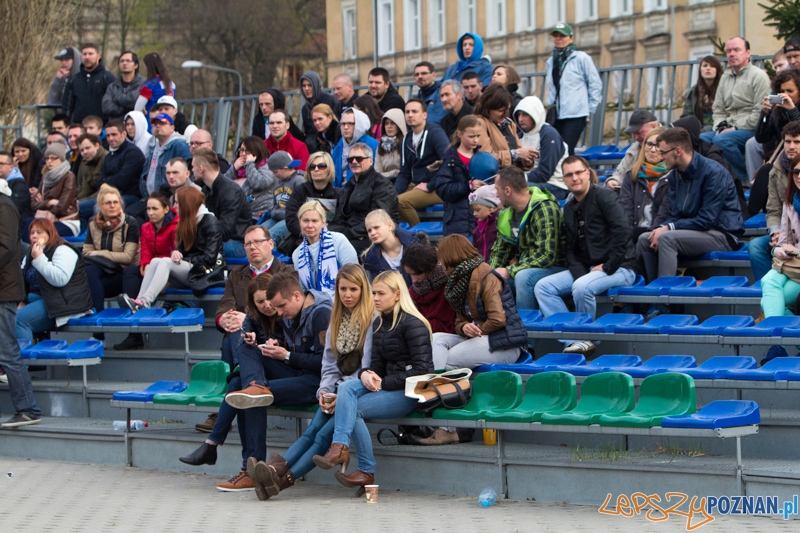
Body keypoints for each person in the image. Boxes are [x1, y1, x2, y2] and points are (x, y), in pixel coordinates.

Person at [246, 264, 374, 500]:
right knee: (311, 431)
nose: (347, 295)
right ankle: (274, 471)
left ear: (363, 290)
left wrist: (340, 393)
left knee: (321, 437)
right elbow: (328, 363)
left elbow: (368, 366)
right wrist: (325, 391)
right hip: (336, 390)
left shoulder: (371, 320)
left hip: (358, 391)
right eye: (342, 289)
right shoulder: (337, 318)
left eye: (353, 289)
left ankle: (279, 480)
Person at [196, 271, 333, 491]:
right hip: (295, 372)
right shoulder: (290, 312)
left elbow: (326, 365)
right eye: (272, 306)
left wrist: (285, 355)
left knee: (244, 391)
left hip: (314, 384)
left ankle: (245, 466)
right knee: (247, 356)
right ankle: (255, 387)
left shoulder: (320, 314)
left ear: (297, 296)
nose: (278, 313)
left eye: (281, 307)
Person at [312, 271, 433, 488]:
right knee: (347, 389)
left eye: (380, 293)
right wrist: (365, 373)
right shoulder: (380, 323)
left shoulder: (413, 324)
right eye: (374, 293)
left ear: (397, 295)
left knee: (352, 409)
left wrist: (383, 382)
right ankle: (341, 448)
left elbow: (423, 370)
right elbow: (374, 366)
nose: (375, 298)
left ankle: (363, 467)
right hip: (386, 387)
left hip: (410, 392)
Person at [178, 272, 287, 491]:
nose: (266, 305)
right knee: (244, 386)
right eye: (259, 302)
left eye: (268, 299)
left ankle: (217, 446)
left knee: (246, 388)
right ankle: (247, 468)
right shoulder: (256, 319)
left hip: (290, 373)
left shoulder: (287, 315)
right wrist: (254, 339)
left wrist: (278, 348)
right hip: (263, 376)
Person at [535, 156, 637, 356]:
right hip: (590, 269)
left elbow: (623, 231)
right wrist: (582, 273)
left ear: (588, 173)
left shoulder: (604, 196)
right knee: (544, 287)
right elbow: (570, 249)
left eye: (579, 172)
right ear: (563, 180)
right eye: (569, 175)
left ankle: (586, 336)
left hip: (621, 267)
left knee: (581, 287)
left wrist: (608, 266)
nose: (575, 178)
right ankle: (574, 339)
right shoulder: (570, 207)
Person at [636, 128, 743, 317]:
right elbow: (675, 213)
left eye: (663, 152)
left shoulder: (713, 172)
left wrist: (668, 228)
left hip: (722, 233)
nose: (660, 157)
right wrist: (662, 227)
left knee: (667, 238)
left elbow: (707, 219)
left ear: (678, 151)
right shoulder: (676, 174)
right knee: (646, 238)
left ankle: (667, 303)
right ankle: (652, 298)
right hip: (693, 232)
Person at [432, 233, 527, 371]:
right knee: (436, 339)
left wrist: (477, 330)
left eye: (441, 259)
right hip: (480, 337)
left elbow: (498, 320)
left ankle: (441, 388)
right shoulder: (459, 280)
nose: (440, 264)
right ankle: (436, 385)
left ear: (450, 257)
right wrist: (464, 327)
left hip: (504, 343)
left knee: (449, 360)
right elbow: (459, 321)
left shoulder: (487, 277)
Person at [121, 187, 223, 311]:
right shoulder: (187, 221)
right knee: (154, 261)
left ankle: (145, 302)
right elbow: (182, 247)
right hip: (192, 268)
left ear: (187, 203)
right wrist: (177, 252)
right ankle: (139, 300)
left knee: (165, 262)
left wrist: (184, 259)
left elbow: (209, 258)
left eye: (177, 202)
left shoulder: (210, 222)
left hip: (207, 271)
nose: (174, 206)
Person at [486, 166, 565, 311]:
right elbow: (500, 251)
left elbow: (546, 255)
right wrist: (490, 273)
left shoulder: (544, 208)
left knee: (523, 277)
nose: (496, 195)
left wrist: (510, 270)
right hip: (524, 266)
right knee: (489, 280)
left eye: (497, 189)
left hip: (555, 268)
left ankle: (526, 329)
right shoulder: (506, 213)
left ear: (508, 191)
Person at [699, 37, 771, 184]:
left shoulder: (759, 76)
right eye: (729, 51)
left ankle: (741, 179)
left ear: (748, 53)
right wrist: (720, 125)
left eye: (736, 50)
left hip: (750, 128)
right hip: (727, 127)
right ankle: (715, 180)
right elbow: (718, 108)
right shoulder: (725, 78)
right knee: (702, 139)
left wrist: (735, 127)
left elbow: (759, 112)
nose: (731, 54)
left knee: (721, 140)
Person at [0, 192, 43, 428]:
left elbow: (5, 248)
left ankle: (28, 409)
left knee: (7, 352)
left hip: (3, 291)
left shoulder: (4, 205)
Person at [115, 190, 178, 350]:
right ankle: (135, 324)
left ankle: (141, 308)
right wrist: (145, 264)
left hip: (170, 268)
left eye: (155, 209)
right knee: (130, 272)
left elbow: (175, 251)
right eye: (148, 209)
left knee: (159, 264)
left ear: (166, 209)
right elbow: (145, 250)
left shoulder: (175, 226)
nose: (150, 213)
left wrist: (153, 265)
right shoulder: (145, 227)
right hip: (152, 266)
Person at [749, 121, 800, 282]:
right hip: (786, 232)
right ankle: (767, 293)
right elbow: (773, 210)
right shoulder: (775, 170)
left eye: (797, 141)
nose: (791, 146)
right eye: (787, 141)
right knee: (756, 246)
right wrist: (776, 232)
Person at [329, 143, 400, 255]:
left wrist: (347, 234)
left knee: (336, 249)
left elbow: (379, 219)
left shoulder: (382, 184)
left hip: (373, 235)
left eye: (359, 158)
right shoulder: (349, 186)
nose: (354, 162)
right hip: (351, 234)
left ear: (370, 161)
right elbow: (339, 215)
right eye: (350, 159)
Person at [544, 23, 602, 155]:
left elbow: (595, 83)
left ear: (571, 38)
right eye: (556, 36)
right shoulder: (551, 61)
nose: (558, 38)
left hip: (576, 113)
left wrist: (590, 109)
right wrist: (550, 105)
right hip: (556, 113)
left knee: (566, 150)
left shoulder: (581, 58)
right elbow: (552, 87)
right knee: (554, 149)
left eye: (562, 36)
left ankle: (569, 174)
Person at [83, 184, 140, 317]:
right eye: (108, 203)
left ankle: (98, 320)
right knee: (89, 271)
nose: (112, 206)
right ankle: (97, 317)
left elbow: (128, 257)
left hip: (124, 274)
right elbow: (86, 253)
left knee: (92, 278)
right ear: (100, 205)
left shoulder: (130, 223)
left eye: (116, 202)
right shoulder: (93, 223)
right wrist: (114, 259)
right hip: (104, 273)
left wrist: (99, 253)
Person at [394, 99, 450, 227]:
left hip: (438, 187)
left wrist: (430, 185)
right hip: (417, 185)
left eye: (414, 111)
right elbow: (404, 173)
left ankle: (419, 240)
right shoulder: (406, 140)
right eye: (407, 112)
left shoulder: (435, 133)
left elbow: (449, 161)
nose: (410, 115)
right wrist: (393, 192)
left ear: (425, 114)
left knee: (401, 202)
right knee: (387, 201)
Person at [760, 153, 800, 319]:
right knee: (768, 282)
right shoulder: (789, 203)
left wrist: (797, 251)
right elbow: (782, 242)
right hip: (791, 265)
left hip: (796, 262)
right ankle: (781, 342)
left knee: (768, 301)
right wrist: (777, 251)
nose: (799, 176)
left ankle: (778, 343)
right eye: (796, 172)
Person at [131, 112, 191, 221]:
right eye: (155, 124)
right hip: (149, 198)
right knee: (129, 217)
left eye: (162, 123)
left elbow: (189, 169)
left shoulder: (178, 145)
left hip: (166, 200)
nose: (157, 126)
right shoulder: (154, 147)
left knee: (134, 218)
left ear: (172, 127)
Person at [192, 148, 251, 258]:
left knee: (196, 247)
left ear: (201, 168)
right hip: (219, 240)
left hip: (237, 243)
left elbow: (225, 231)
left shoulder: (231, 191)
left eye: (193, 166)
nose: (192, 170)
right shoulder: (206, 190)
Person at [432, 115, 483, 237]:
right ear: (460, 134)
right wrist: (468, 185)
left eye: (478, 136)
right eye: (471, 136)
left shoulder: (482, 158)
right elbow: (442, 189)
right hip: (456, 222)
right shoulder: (449, 160)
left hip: (479, 220)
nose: (475, 140)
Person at [292, 201, 359, 295]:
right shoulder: (296, 254)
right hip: (315, 304)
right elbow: (302, 290)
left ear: (323, 223)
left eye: (314, 221)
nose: (310, 225)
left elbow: (354, 277)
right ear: (300, 222)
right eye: (305, 220)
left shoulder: (339, 240)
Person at [618, 126, 670, 245]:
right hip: (635, 232)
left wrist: (653, 232)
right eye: (649, 144)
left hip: (659, 233)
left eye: (657, 146)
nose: (652, 150)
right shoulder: (631, 175)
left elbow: (665, 212)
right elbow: (626, 211)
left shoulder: (673, 177)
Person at [282, 152, 341, 254]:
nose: (316, 169)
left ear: (329, 169)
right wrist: (309, 234)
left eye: (321, 166)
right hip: (302, 238)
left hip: (330, 241)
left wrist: (320, 236)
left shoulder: (339, 194)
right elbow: (291, 219)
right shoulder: (300, 191)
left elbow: (340, 222)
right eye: (312, 167)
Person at [514, 96, 569, 200]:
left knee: (515, 190)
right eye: (518, 114)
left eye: (525, 114)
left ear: (536, 114)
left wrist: (518, 180)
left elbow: (545, 173)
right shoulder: (519, 136)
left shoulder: (549, 135)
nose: (520, 119)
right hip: (527, 183)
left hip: (555, 186)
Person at [474, 83, 536, 170]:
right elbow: (486, 159)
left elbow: (518, 151)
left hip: (514, 177)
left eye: (508, 109)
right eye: (501, 110)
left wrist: (526, 159)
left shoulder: (509, 123)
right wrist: (514, 154)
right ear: (488, 107)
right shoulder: (479, 124)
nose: (506, 114)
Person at [26, 143, 80, 239]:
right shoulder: (45, 176)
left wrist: (42, 203)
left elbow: (61, 208)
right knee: (26, 225)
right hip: (46, 219)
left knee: (41, 232)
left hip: (66, 221)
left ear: (61, 159)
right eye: (47, 158)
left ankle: (41, 253)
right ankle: (30, 253)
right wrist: (49, 202)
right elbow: (33, 205)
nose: (49, 161)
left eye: (53, 158)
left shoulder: (69, 177)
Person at [401, 243, 456, 334]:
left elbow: (452, 325)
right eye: (410, 274)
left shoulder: (450, 286)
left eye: (417, 274)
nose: (413, 280)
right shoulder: (412, 293)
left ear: (430, 269)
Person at [223, 136, 275, 223]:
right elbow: (222, 185)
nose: (243, 153)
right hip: (233, 214)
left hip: (255, 216)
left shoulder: (266, 166)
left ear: (257, 151)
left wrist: (249, 164)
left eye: (248, 151)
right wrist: (234, 169)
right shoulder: (237, 167)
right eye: (242, 150)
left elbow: (259, 184)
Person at [62, 43, 117, 123]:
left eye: (90, 54)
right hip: (79, 128)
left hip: (102, 128)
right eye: (84, 54)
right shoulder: (73, 80)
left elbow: (114, 104)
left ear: (98, 56)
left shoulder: (108, 78)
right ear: (81, 57)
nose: (87, 57)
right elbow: (67, 107)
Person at [362, 208, 419, 283]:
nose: (372, 233)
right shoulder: (371, 258)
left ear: (389, 226)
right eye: (369, 230)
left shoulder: (415, 245)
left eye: (376, 227)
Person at [97, 119, 146, 207]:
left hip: (132, 197)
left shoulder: (133, 152)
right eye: (108, 135)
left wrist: (105, 181)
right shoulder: (109, 155)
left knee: (98, 208)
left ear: (124, 134)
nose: (111, 138)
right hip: (111, 196)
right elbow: (99, 181)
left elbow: (121, 181)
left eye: (114, 134)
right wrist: (105, 182)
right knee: (81, 208)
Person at [755, 68, 800, 161]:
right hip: (781, 158)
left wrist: (792, 110)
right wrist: (765, 114)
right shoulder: (779, 110)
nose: (785, 95)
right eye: (782, 91)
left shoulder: (791, 109)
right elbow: (761, 138)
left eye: (790, 91)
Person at [262, 151, 305, 244]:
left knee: (270, 236)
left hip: (290, 218)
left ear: (285, 168)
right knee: (258, 233)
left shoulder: (299, 180)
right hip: (275, 217)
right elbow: (274, 202)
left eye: (275, 172)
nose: (274, 175)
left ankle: (275, 257)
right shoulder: (277, 181)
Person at [609, 110, 662, 184]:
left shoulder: (671, 144)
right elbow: (620, 173)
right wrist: (613, 181)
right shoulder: (634, 148)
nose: (636, 137)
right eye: (633, 134)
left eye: (639, 132)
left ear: (654, 126)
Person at [331, 108, 380, 186]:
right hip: (338, 192)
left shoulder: (372, 145)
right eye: (343, 124)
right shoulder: (338, 146)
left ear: (359, 125)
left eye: (350, 123)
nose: (346, 127)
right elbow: (332, 174)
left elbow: (374, 175)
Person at [681, 55, 723, 133]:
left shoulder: (723, 89)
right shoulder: (693, 92)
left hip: (717, 128)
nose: (708, 68)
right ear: (700, 69)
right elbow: (686, 115)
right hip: (697, 128)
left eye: (712, 66)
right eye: (705, 65)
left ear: (717, 70)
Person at [299, 71, 339, 151]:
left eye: (310, 85)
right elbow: (309, 133)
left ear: (316, 85)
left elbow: (337, 125)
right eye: (304, 86)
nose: (306, 89)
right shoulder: (305, 108)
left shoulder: (330, 100)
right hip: (313, 149)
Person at [102, 51, 145, 121]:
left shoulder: (144, 84)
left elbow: (136, 101)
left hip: (137, 125)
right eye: (121, 61)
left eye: (128, 61)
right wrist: (129, 108)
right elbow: (106, 107)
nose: (124, 63)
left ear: (136, 65)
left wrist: (116, 99)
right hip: (116, 127)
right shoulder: (112, 86)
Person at [76, 133, 108, 226]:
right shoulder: (85, 162)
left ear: (97, 145)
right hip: (91, 197)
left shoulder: (106, 158)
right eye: (82, 150)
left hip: (104, 195)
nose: (84, 152)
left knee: (81, 207)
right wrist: (75, 200)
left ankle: (87, 233)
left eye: (87, 148)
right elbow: (84, 188)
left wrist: (81, 201)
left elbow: (105, 189)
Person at [134, 52, 175, 125]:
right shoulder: (171, 84)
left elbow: (137, 109)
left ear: (148, 66)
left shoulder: (150, 85)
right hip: (169, 123)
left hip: (152, 124)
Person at [469, 183, 501, 260]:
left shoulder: (499, 226)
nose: (474, 214)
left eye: (477, 210)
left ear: (491, 208)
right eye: (473, 211)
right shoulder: (476, 231)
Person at [374, 108, 406, 180]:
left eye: (393, 123)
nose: (389, 126)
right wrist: (394, 172)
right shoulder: (380, 147)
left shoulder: (407, 144)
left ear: (399, 124)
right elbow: (377, 174)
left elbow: (407, 172)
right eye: (386, 123)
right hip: (384, 184)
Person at [0, 151, 32, 219]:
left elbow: (12, 208)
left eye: (1, 163)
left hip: (17, 225)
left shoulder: (19, 184)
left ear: (11, 167)